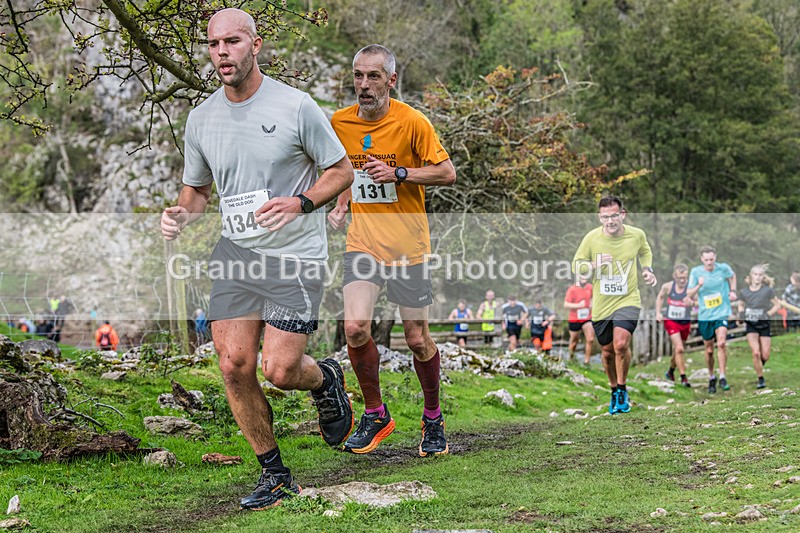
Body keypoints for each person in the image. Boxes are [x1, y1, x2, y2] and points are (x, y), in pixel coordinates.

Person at [160, 8, 354, 511]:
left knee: (281, 371)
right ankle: (275, 474)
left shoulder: (296, 106)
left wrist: (302, 202)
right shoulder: (201, 118)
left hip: (295, 257)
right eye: (213, 44)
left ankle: (326, 378)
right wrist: (181, 216)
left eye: (232, 42)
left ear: (255, 44)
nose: (221, 52)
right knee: (233, 365)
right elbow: (197, 192)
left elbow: (341, 171)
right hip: (237, 254)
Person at [328, 44, 456, 457]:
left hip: (408, 247)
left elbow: (446, 173)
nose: (364, 85)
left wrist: (400, 173)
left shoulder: (412, 122)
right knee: (354, 328)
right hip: (362, 243)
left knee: (417, 339)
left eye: (374, 77)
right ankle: (376, 413)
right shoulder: (339, 122)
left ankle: (433, 418)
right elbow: (343, 170)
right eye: (359, 76)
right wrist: (342, 202)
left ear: (391, 80)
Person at [572, 195, 657, 415]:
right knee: (608, 352)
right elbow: (576, 266)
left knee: (621, 344)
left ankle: (622, 389)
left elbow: (645, 251)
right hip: (602, 304)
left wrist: (647, 269)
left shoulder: (636, 235)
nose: (610, 221)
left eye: (613, 216)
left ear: (622, 214)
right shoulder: (591, 239)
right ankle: (612, 389)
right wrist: (594, 264)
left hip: (628, 298)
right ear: (599, 218)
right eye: (605, 217)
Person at [737, 264, 800, 389]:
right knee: (755, 352)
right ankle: (760, 379)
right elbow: (741, 304)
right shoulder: (744, 291)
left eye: (760, 275)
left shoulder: (767, 291)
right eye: (755, 274)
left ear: (763, 277)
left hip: (764, 324)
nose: (758, 277)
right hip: (751, 325)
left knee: (764, 355)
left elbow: (777, 305)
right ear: (750, 276)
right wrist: (741, 314)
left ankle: (759, 364)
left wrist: (768, 314)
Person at [686, 246, 736, 394]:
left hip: (722, 312)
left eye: (711, 259)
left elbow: (732, 276)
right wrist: (699, 285)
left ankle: (722, 376)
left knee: (721, 343)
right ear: (702, 259)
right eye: (706, 260)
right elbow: (689, 293)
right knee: (708, 350)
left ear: (715, 257)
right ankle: (711, 376)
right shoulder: (696, 272)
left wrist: (732, 291)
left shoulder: (723, 268)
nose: (709, 262)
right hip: (705, 315)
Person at [655, 264, 693, 387]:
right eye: (679, 278)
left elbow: (698, 301)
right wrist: (658, 313)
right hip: (671, 320)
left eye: (685, 278)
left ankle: (670, 371)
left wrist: (692, 303)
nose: (682, 280)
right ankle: (683, 377)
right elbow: (660, 297)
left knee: (678, 349)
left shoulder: (691, 288)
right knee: (680, 348)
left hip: (685, 322)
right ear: (674, 276)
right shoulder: (668, 286)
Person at [564, 274, 595, 365]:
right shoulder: (572, 289)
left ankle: (586, 361)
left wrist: (591, 303)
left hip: (587, 318)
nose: (584, 279)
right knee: (574, 342)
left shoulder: (590, 287)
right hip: (575, 318)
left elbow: (593, 297)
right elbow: (566, 304)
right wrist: (578, 305)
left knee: (590, 339)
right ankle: (570, 358)